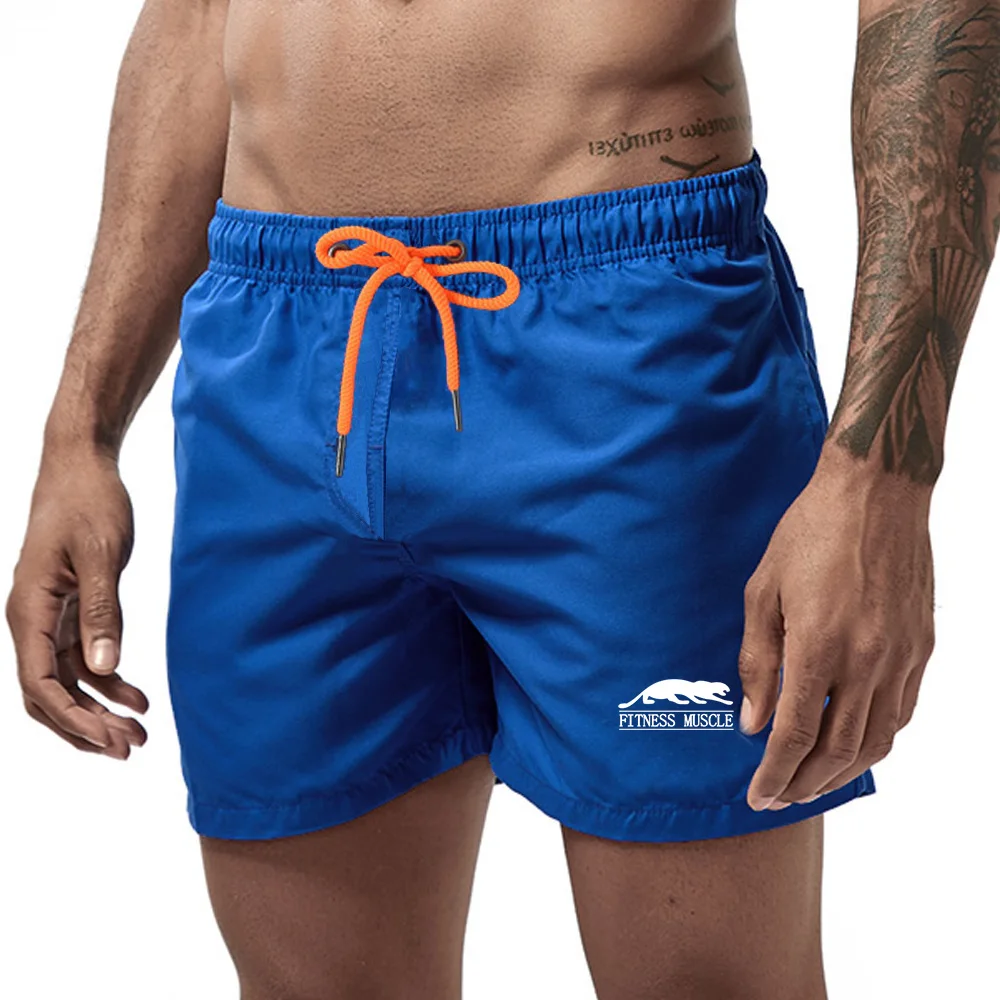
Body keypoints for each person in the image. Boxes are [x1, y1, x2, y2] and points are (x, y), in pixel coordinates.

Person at [5, 1, 994, 997]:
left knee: (709, 983)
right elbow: (193, 19)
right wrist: (80, 431)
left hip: (625, 353)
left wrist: (881, 476)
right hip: (273, 366)